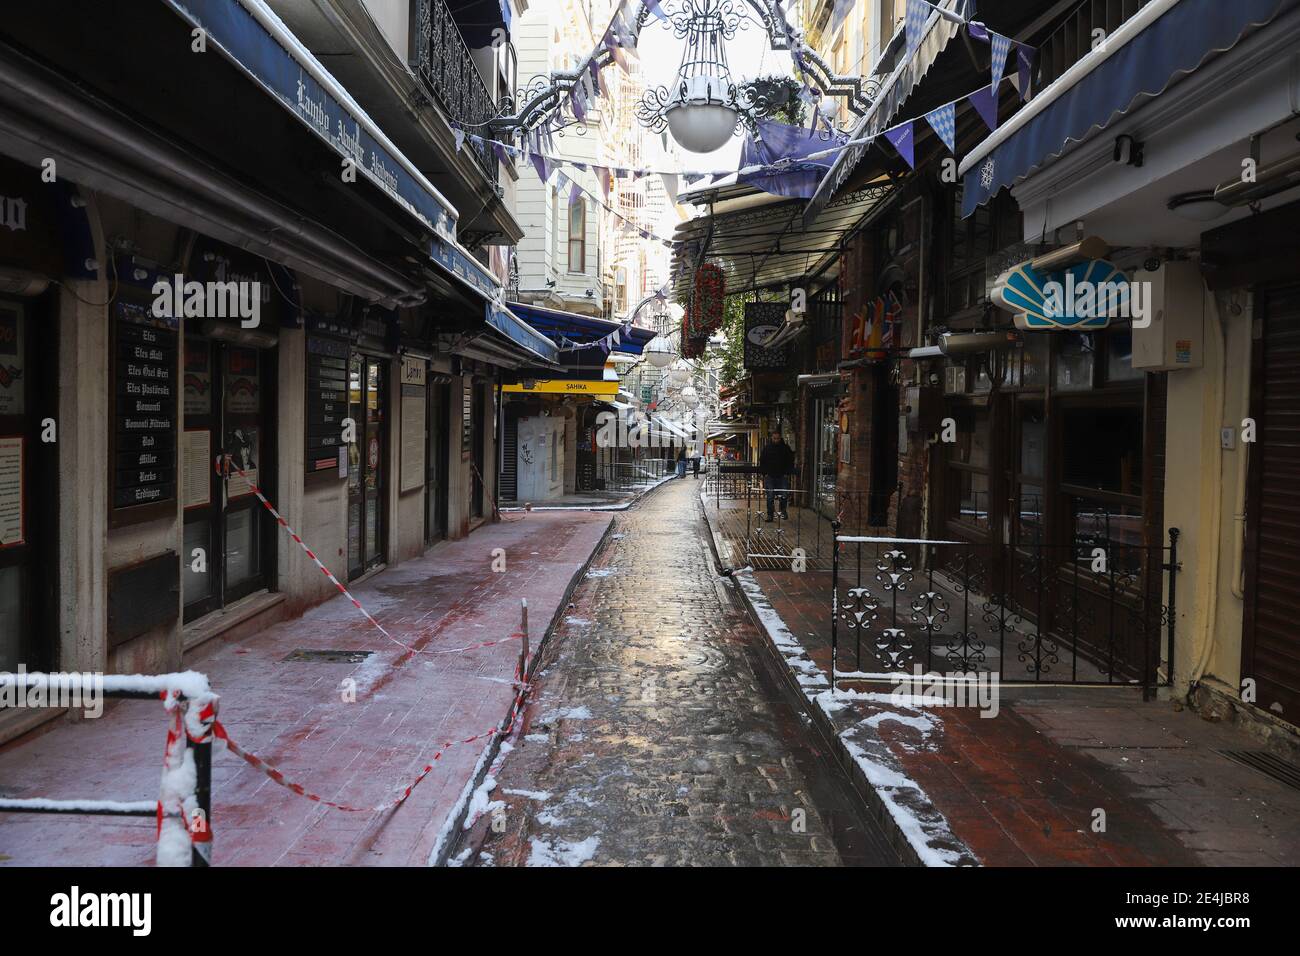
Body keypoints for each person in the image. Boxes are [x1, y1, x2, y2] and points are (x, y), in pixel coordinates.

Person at [758, 431, 795, 521]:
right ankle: (770, 515)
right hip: (770, 475)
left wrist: (787, 473)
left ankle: (783, 511)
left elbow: (790, 461)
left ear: (780, 438)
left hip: (782, 475)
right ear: (772, 438)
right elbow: (762, 460)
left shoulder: (785, 448)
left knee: (784, 495)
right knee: (770, 496)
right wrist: (765, 473)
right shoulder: (767, 448)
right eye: (774, 438)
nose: (776, 440)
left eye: (777, 438)